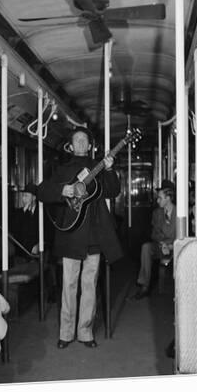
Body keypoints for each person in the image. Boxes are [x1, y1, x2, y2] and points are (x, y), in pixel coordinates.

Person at [37, 127, 122, 349]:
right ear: (71, 146)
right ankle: (66, 333)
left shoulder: (99, 167)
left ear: (90, 145)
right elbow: (42, 191)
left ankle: (85, 332)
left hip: (94, 234)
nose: (82, 143)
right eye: (77, 140)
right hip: (71, 234)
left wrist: (111, 170)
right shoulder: (62, 169)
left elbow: (113, 191)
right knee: (69, 285)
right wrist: (62, 190)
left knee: (89, 285)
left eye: (85, 140)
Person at [131, 179, 177, 300]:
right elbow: (154, 233)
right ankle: (144, 286)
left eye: (160, 198)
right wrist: (162, 244)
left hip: (175, 246)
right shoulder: (157, 213)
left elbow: (181, 234)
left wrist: (171, 245)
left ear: (168, 198)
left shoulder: (179, 212)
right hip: (161, 246)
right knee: (146, 247)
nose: (157, 200)